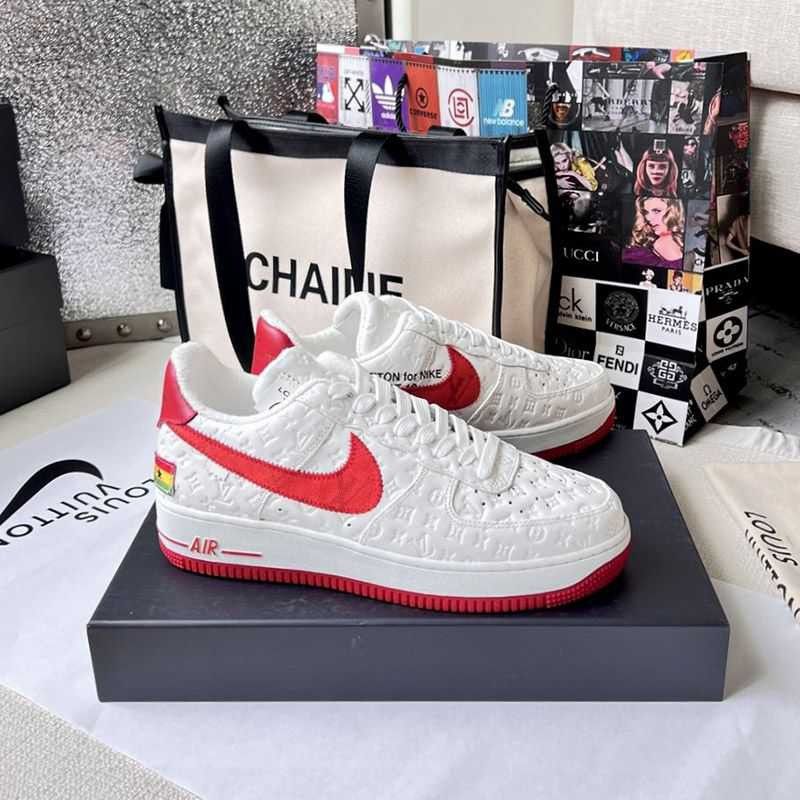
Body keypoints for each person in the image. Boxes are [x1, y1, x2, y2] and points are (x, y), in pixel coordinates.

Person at [624, 196, 685, 269]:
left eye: (656, 211)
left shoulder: (666, 242)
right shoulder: (660, 243)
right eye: (645, 212)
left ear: (674, 210)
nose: (648, 218)